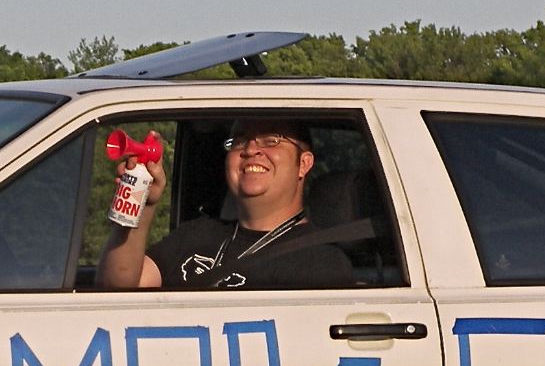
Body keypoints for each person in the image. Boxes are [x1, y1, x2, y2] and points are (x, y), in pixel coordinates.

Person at [96, 118, 354, 289]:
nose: (250, 150)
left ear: (304, 164)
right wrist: (141, 204)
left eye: (271, 140)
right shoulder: (195, 234)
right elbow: (118, 290)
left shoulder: (323, 263)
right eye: (239, 141)